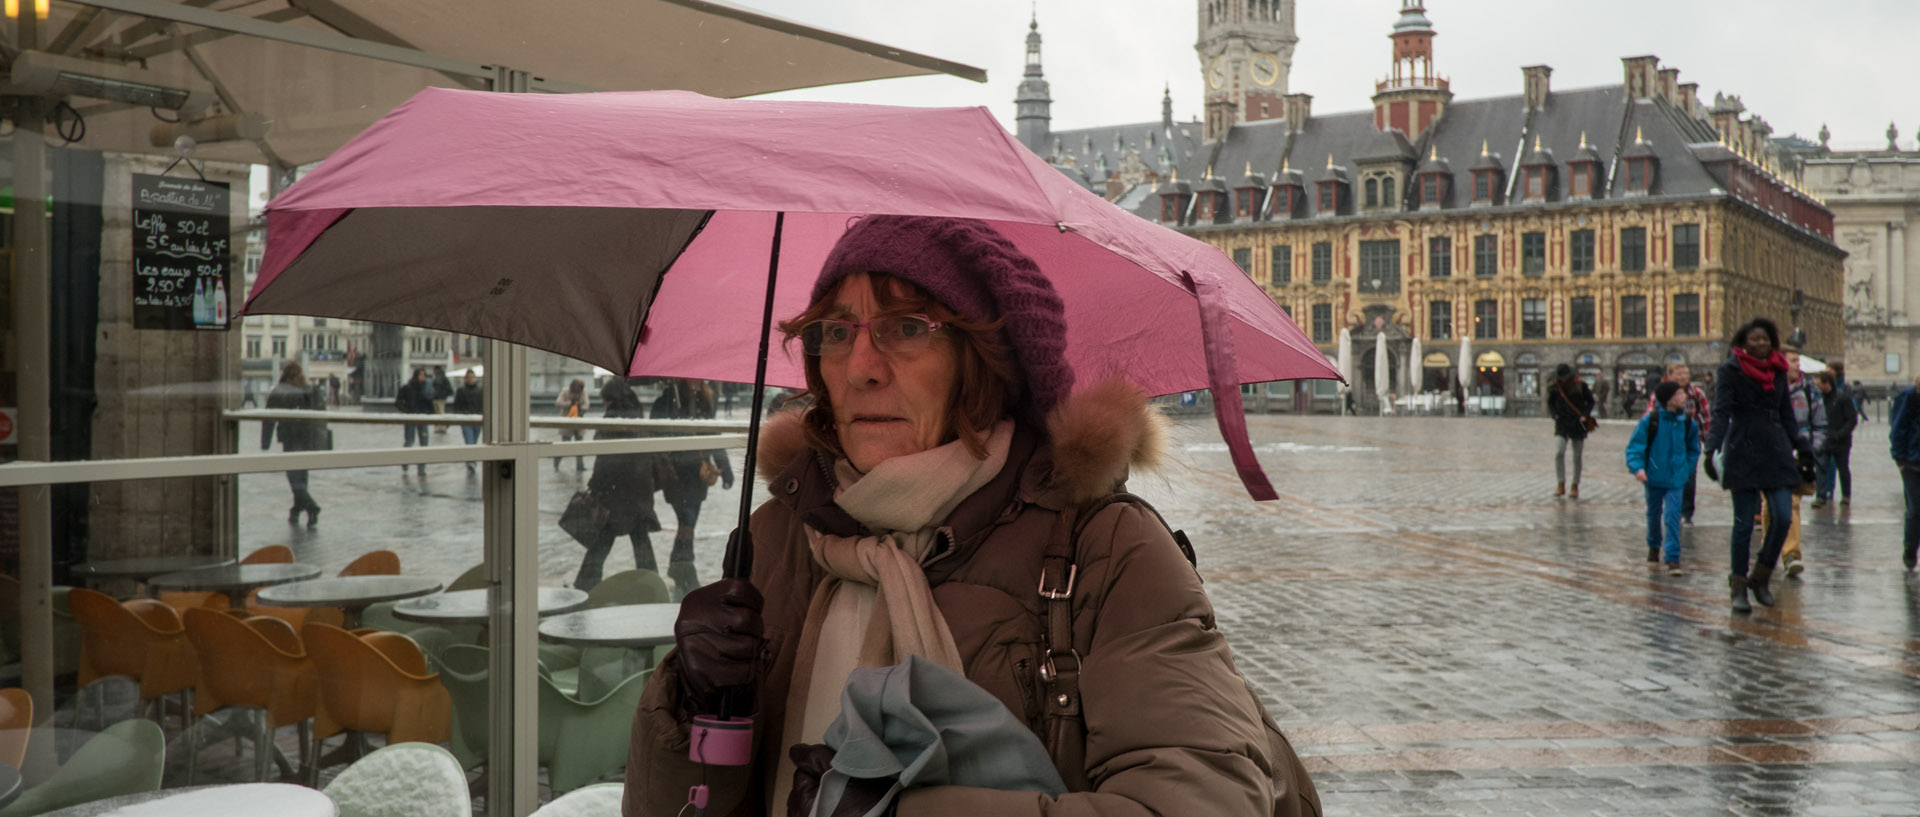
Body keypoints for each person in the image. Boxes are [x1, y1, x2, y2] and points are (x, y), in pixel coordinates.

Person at [624, 215, 1306, 817]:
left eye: (906, 327)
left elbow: (1201, 800)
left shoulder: (1107, 549)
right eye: (837, 330)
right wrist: (698, 707)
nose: (860, 366)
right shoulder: (779, 534)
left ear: (983, 359)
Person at [1704, 317, 1812, 613]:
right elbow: (1722, 411)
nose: (1761, 344)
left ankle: (1760, 577)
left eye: (1765, 339)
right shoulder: (1730, 369)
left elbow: (1786, 413)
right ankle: (1738, 586)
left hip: (1775, 449)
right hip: (1743, 447)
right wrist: (1711, 447)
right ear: (1743, 342)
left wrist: (1803, 448)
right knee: (1742, 524)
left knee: (1781, 515)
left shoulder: (1778, 369)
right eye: (1755, 339)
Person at [572, 379, 665, 590]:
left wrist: (595, 485)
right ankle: (652, 585)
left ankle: (585, 587)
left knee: (600, 544)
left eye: (604, 400)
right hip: (639, 491)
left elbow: (605, 460)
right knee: (641, 542)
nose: (604, 403)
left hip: (616, 494)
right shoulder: (638, 415)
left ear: (611, 399)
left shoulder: (612, 420)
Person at [650, 377, 734, 599]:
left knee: (688, 523)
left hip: (697, 475)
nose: (698, 379)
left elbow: (712, 435)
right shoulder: (667, 401)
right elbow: (655, 436)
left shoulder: (706, 399)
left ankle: (680, 570)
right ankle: (685, 571)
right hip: (677, 474)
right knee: (686, 520)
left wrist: (724, 466)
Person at [1763, 342, 1826, 578]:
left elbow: (1821, 424)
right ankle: (1769, 551)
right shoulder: (1766, 389)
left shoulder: (1810, 391)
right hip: (1769, 455)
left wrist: (1812, 449)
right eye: (1791, 361)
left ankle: (1791, 554)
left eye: (1798, 361)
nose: (1796, 365)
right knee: (1770, 507)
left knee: (1792, 504)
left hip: (1797, 458)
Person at [1628, 382, 1700, 575]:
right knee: (1653, 515)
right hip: (1653, 477)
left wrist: (1687, 468)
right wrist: (1638, 468)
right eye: (1679, 394)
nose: (1684, 396)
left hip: (1676, 478)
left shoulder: (1687, 422)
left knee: (1673, 515)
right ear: (1668, 399)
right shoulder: (1650, 420)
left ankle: (1673, 558)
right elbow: (1635, 447)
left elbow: (1694, 449)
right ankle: (1653, 546)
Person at [1646, 362, 1711, 524]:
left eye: (1685, 373)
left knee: (1689, 477)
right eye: (1679, 374)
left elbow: (1705, 417)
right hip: (1667, 442)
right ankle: (1672, 509)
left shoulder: (1697, 393)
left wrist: (1707, 440)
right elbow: (1650, 417)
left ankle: (1686, 513)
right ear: (1669, 376)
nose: (1683, 377)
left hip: (1689, 442)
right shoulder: (1660, 394)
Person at [262, 361, 324, 526]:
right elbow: (321, 414)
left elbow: (269, 418)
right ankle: (297, 510)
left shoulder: (280, 391)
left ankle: (312, 507)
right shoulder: (309, 390)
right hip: (307, 438)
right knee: (301, 476)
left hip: (290, 438)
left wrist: (265, 442)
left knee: (294, 477)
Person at [1546, 363, 1595, 499]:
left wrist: (1585, 414)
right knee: (1559, 451)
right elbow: (1550, 403)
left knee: (1577, 456)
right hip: (1561, 423)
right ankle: (1560, 483)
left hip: (1578, 423)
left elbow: (1590, 401)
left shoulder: (1581, 386)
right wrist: (1554, 414)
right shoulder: (1555, 388)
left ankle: (1575, 485)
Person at [1813, 370, 1856, 510]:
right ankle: (1821, 496)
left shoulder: (1842, 397)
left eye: (1819, 384)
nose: (1817, 387)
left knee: (1842, 468)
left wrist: (1840, 434)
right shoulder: (1819, 399)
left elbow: (1852, 420)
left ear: (1827, 384)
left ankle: (1845, 495)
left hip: (1841, 441)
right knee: (1821, 467)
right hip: (1824, 439)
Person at [1890, 374, 1920, 571]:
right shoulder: (1908, 397)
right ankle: (1910, 547)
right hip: (1912, 462)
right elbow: (1898, 428)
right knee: (1915, 509)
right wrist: (1899, 458)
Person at [395, 367, 434, 476]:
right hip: (410, 418)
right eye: (421, 375)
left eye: (424, 375)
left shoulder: (426, 388)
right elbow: (398, 402)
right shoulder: (407, 388)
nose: (423, 377)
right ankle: (405, 462)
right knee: (409, 441)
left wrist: (429, 413)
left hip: (422, 418)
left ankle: (421, 468)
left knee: (424, 443)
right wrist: (406, 411)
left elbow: (430, 403)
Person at [451, 368, 485, 474]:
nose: (471, 379)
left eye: (472, 377)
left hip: (477, 419)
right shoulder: (461, 390)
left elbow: (483, 404)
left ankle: (471, 460)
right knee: (469, 441)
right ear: (465, 379)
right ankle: (471, 462)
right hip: (466, 420)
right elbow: (456, 404)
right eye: (469, 378)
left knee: (474, 441)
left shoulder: (481, 390)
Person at [554, 377, 589, 473]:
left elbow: (586, 403)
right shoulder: (565, 391)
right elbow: (558, 402)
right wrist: (569, 404)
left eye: (580, 388)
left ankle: (580, 465)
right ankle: (557, 460)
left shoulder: (583, 392)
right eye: (577, 387)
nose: (578, 390)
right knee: (565, 445)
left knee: (579, 444)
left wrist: (582, 408)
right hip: (567, 422)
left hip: (578, 422)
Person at [430, 365, 453, 433]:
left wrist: (438, 394)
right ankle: (441, 426)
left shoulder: (439, 377)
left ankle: (443, 425)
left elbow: (437, 387)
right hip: (441, 397)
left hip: (439, 397)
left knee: (440, 412)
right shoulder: (442, 376)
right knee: (439, 412)